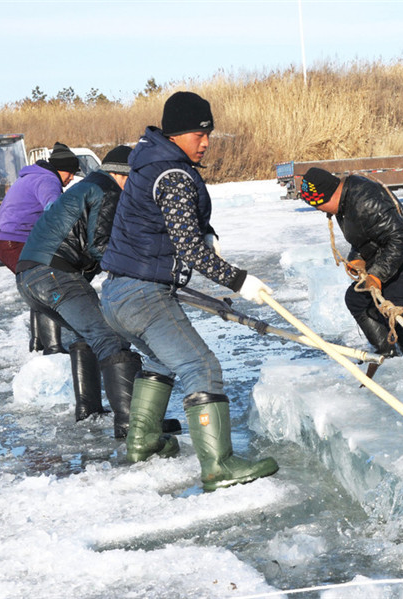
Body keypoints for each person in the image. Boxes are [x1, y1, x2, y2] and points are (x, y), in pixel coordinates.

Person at [100, 91, 278, 491]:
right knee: (203, 368)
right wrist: (240, 280)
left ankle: (142, 441)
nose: (207, 141)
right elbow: (190, 250)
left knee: (163, 362)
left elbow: (166, 223)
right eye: (200, 133)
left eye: (208, 133)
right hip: (143, 296)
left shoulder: (149, 166)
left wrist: (207, 230)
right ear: (178, 134)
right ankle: (219, 465)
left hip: (115, 295)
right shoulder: (175, 175)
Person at [14, 147, 181, 438]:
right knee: (111, 338)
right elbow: (100, 245)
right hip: (54, 274)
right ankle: (133, 424)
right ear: (122, 174)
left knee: (87, 336)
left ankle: (88, 410)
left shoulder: (89, 186)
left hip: (30, 277)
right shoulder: (108, 190)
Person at [298, 167, 403, 357]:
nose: (318, 210)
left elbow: (400, 238)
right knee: (357, 300)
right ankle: (385, 353)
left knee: (396, 314)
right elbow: (366, 236)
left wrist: (377, 274)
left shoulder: (366, 201)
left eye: (317, 205)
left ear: (329, 195)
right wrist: (358, 258)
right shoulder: (345, 202)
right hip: (391, 257)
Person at [0, 142, 80, 354]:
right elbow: (56, 212)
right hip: (15, 241)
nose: (71, 178)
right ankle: (53, 347)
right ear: (62, 169)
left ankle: (38, 343)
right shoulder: (48, 180)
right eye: (71, 173)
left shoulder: (34, 176)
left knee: (37, 286)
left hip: (8, 241)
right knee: (46, 285)